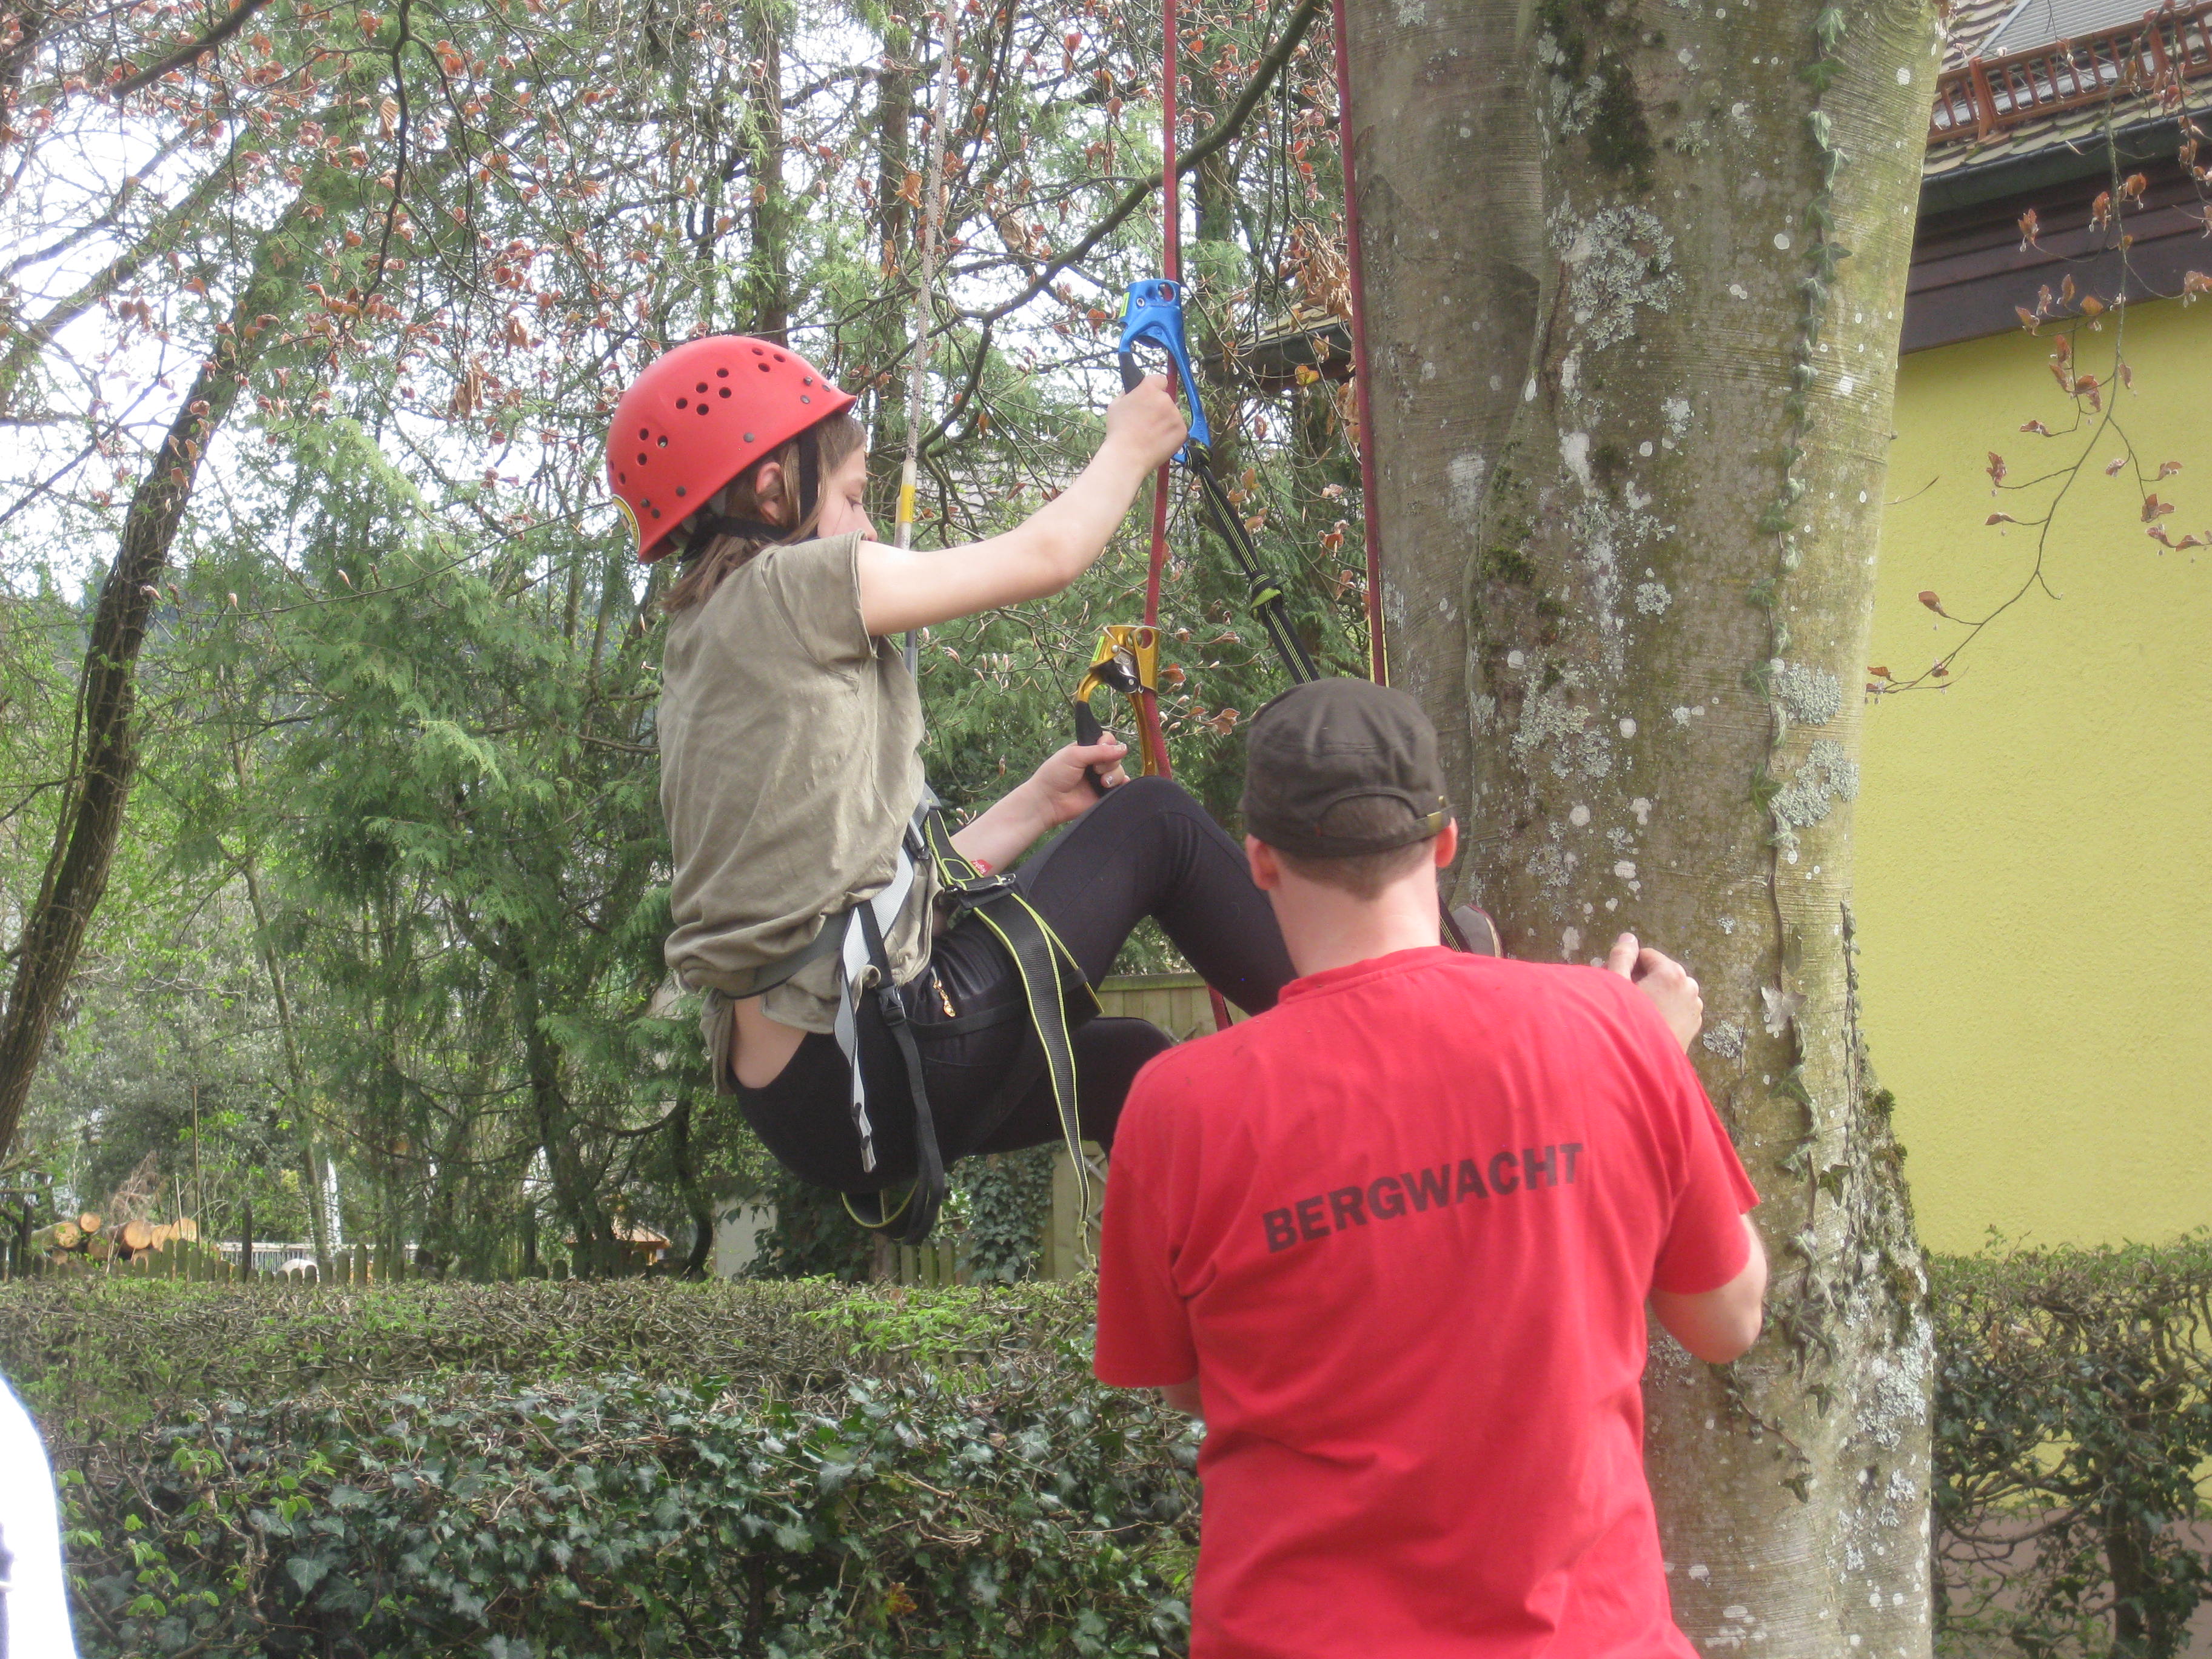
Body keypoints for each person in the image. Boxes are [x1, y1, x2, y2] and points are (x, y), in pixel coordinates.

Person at [1094, 677, 1766, 1659]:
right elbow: (1726, 1319)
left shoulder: (1175, 1106)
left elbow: (1195, 1387)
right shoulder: (1616, 1030)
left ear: (1260, 857)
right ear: (1443, 842)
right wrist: (1652, 1062)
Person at [612, 335, 1296, 1232]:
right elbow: (1049, 555)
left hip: (809, 1104)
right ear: (774, 492)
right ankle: (1390, 1029)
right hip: (876, 1057)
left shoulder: (705, 643)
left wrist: (1039, 805)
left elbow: (865, 905)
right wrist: (1130, 444)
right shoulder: (792, 587)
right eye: (852, 497)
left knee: (1131, 1068)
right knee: (1157, 822)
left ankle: (1230, 1285)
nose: (865, 528)